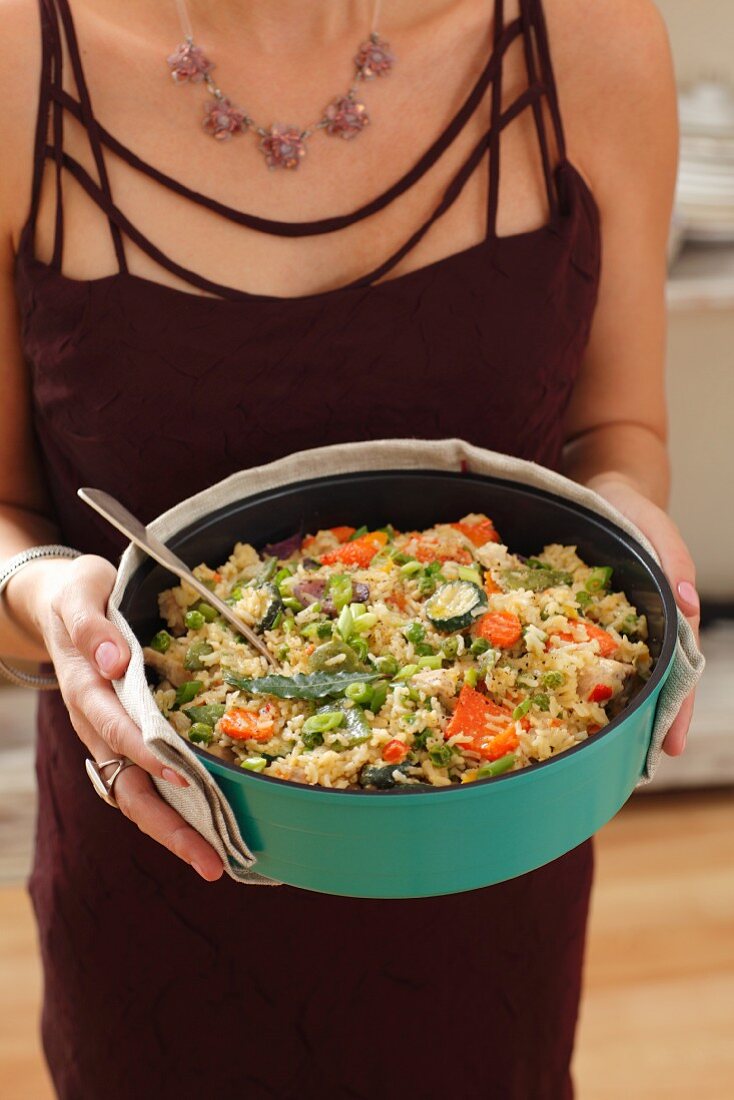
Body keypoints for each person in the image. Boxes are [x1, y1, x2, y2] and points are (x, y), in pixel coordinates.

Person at [0, 1, 698, 1096]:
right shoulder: (14, 60)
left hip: (489, 851)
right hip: (161, 870)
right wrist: (40, 593)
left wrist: (627, 513)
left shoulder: (590, 36)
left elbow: (621, 430)